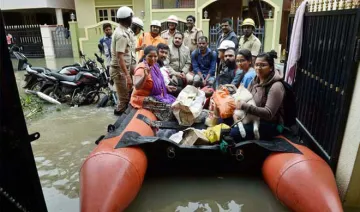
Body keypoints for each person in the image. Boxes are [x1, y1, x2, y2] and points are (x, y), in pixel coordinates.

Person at [230, 50, 285, 141]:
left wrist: (244, 106)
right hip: (251, 117)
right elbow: (244, 97)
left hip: (268, 124)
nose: (258, 68)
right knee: (225, 120)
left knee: (234, 133)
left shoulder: (276, 86)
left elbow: (268, 114)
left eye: (263, 65)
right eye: (257, 65)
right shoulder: (254, 81)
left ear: (271, 67)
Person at [130, 46, 177, 121]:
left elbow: (157, 82)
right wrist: (145, 76)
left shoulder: (155, 66)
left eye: (155, 56)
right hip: (141, 98)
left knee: (175, 103)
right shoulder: (141, 68)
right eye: (150, 56)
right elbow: (137, 86)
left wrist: (166, 87)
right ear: (145, 56)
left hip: (153, 95)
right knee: (170, 108)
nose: (153, 59)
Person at [110, 6, 135, 116]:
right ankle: (117, 123)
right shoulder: (121, 35)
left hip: (123, 70)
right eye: (131, 18)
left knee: (128, 95)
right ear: (127, 18)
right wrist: (127, 76)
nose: (132, 20)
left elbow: (128, 51)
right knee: (124, 100)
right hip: (119, 71)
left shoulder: (125, 31)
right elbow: (120, 57)